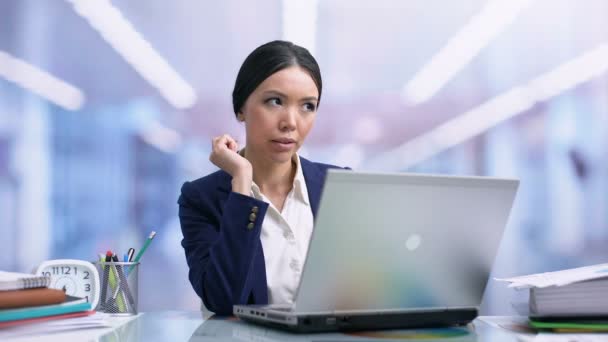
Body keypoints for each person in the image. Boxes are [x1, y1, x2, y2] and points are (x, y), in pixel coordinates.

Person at [178, 40, 347, 315]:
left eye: (307, 106)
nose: (291, 122)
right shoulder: (201, 199)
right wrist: (242, 181)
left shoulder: (338, 187)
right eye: (275, 101)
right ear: (241, 108)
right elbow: (223, 299)